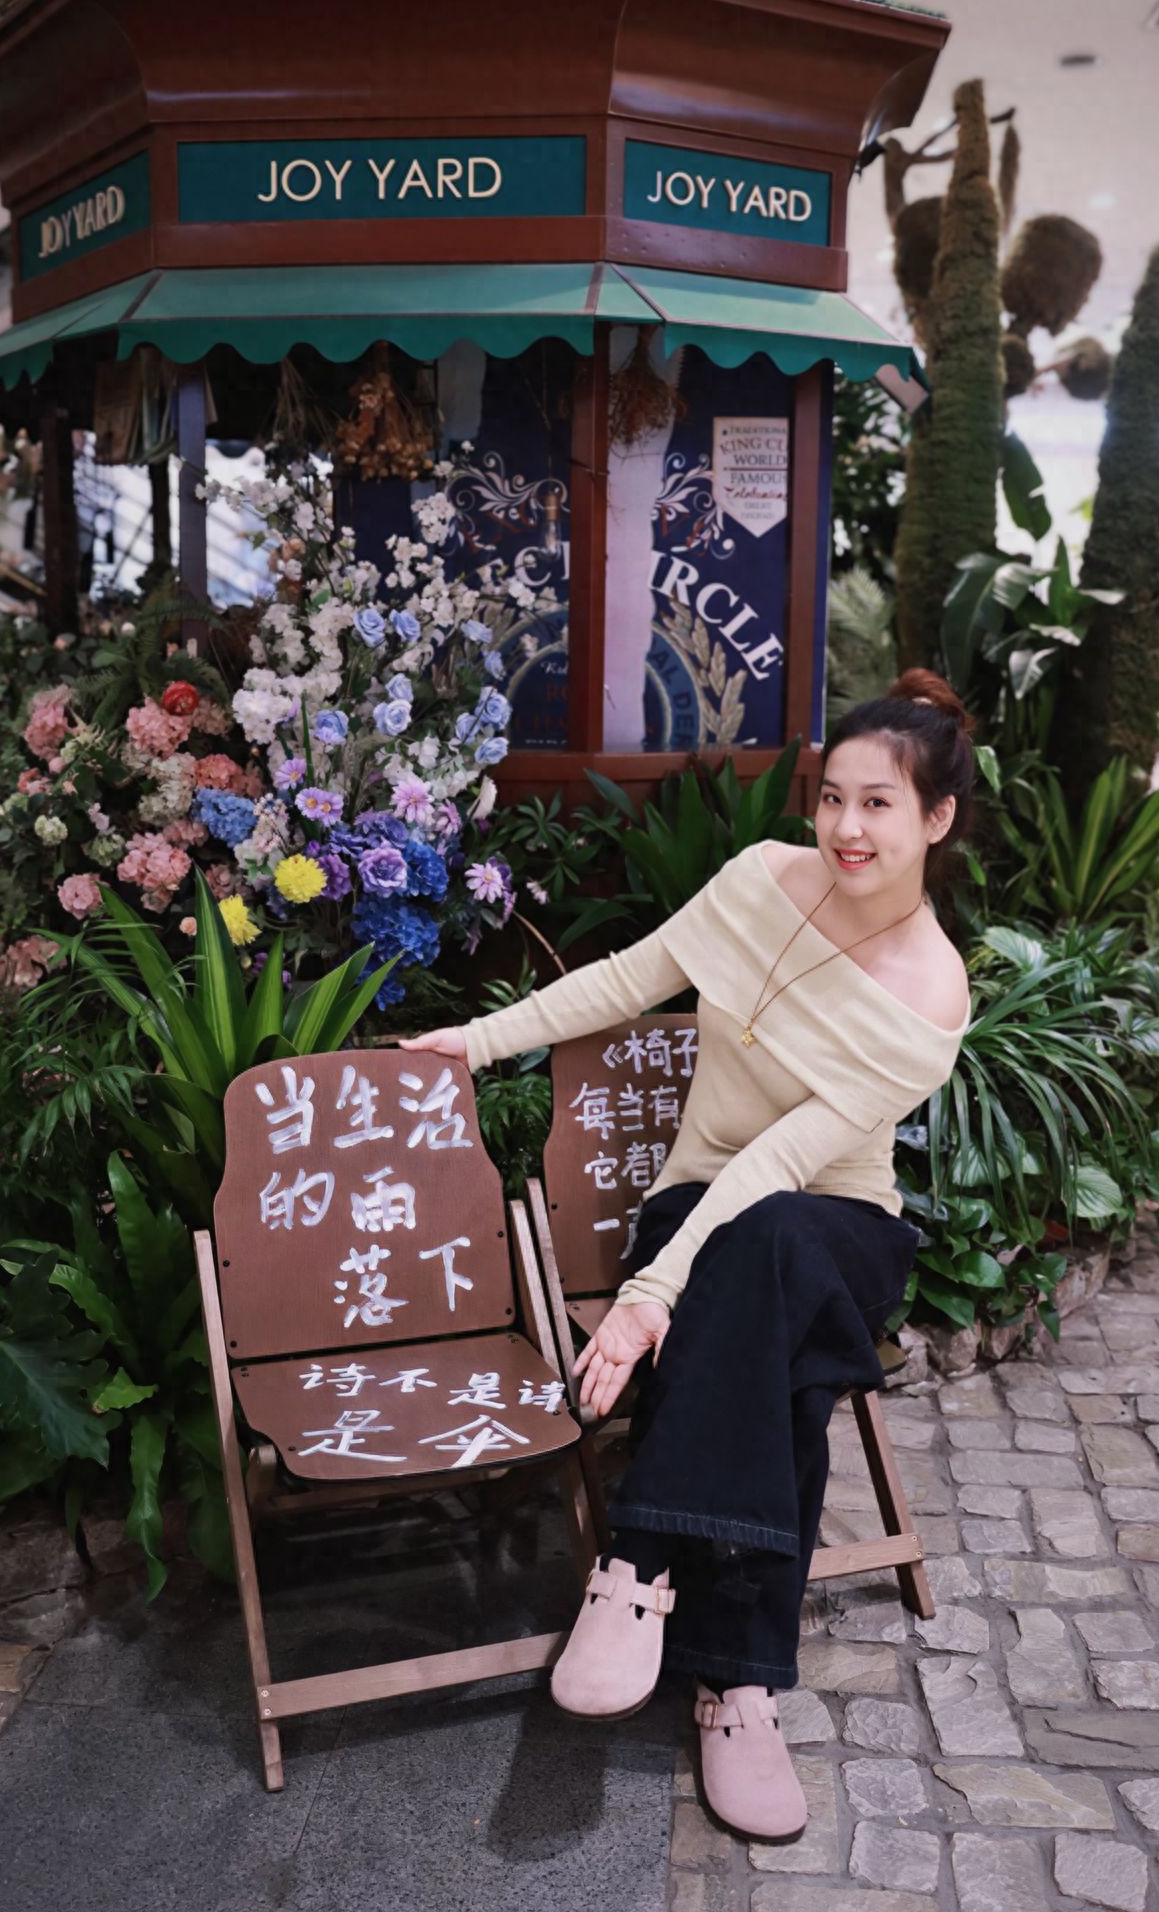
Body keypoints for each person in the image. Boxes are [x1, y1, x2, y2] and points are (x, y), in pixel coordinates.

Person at [400, 668, 974, 1841]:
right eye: (832, 799)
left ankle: (638, 1564)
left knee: (768, 1252)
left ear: (935, 819)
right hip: (701, 1210)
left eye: (878, 805)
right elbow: (624, 979)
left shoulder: (929, 993)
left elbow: (784, 1160)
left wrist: (644, 1300)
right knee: (789, 1374)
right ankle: (739, 1685)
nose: (846, 828)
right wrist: (474, 1043)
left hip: (833, 1225)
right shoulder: (760, 881)